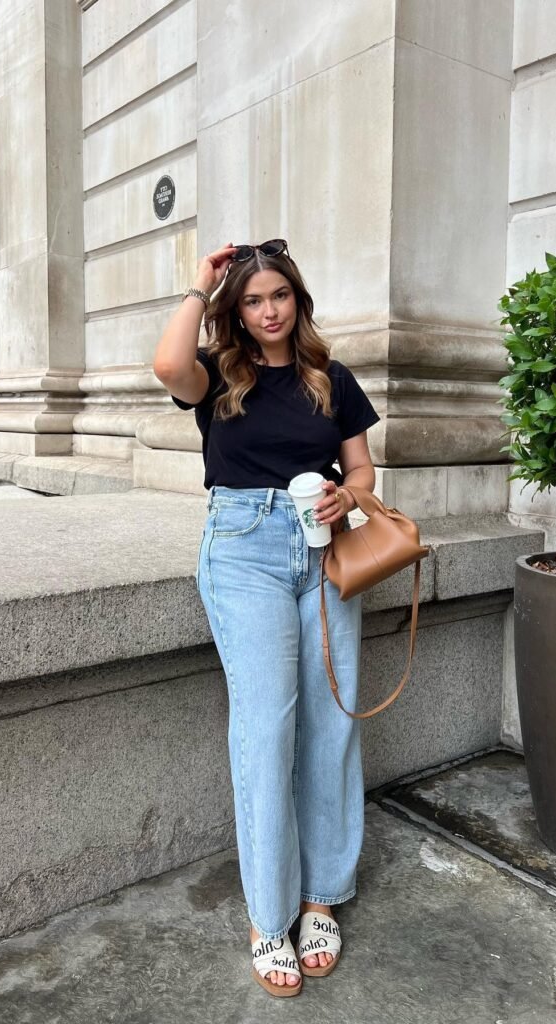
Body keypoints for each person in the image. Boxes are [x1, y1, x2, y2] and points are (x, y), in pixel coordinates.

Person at [152, 239, 380, 998]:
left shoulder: (330, 377)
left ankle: (320, 898)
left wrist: (348, 496)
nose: (268, 310)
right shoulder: (217, 375)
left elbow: (362, 467)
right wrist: (198, 288)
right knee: (264, 727)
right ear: (236, 310)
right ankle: (267, 913)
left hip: (322, 553)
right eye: (252, 300)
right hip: (243, 550)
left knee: (331, 721)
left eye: (278, 295)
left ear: (297, 300)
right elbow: (164, 367)